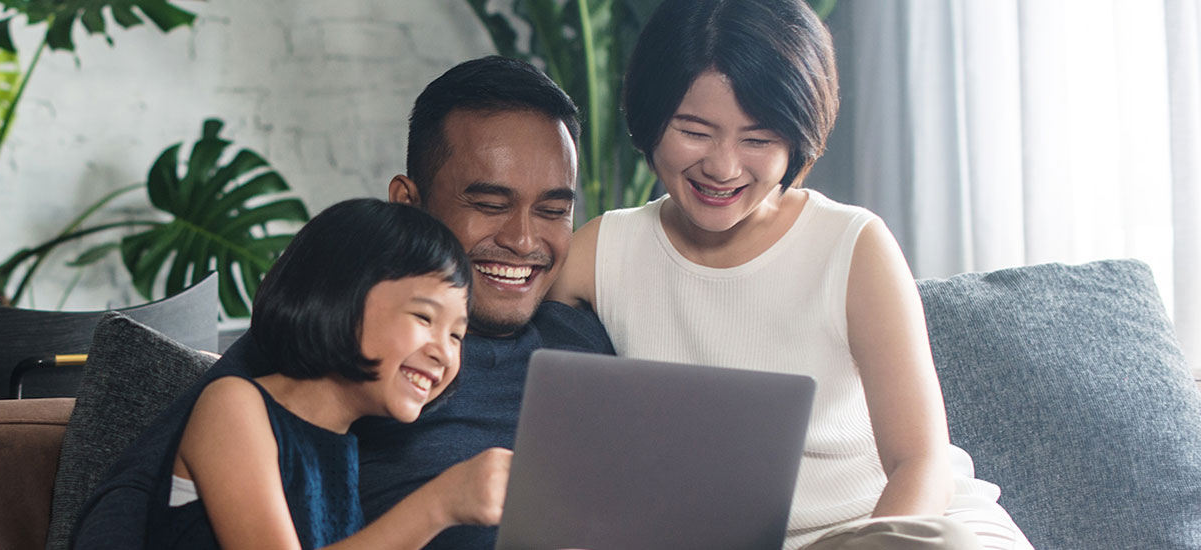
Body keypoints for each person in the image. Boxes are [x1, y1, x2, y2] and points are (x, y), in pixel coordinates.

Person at [546, 0, 1033, 548]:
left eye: (758, 140)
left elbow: (921, 464)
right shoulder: (600, 254)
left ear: (797, 136)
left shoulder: (853, 245)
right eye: (695, 131)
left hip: (901, 527)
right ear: (652, 117)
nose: (723, 167)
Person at [75, 199, 513, 549]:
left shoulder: (339, 447)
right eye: (424, 316)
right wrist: (441, 504)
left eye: (457, 335)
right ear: (339, 296)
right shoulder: (234, 406)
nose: (444, 351)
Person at [363, 55, 616, 549]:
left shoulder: (588, 339)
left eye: (552, 211)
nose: (524, 241)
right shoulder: (338, 349)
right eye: (490, 205)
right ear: (407, 206)